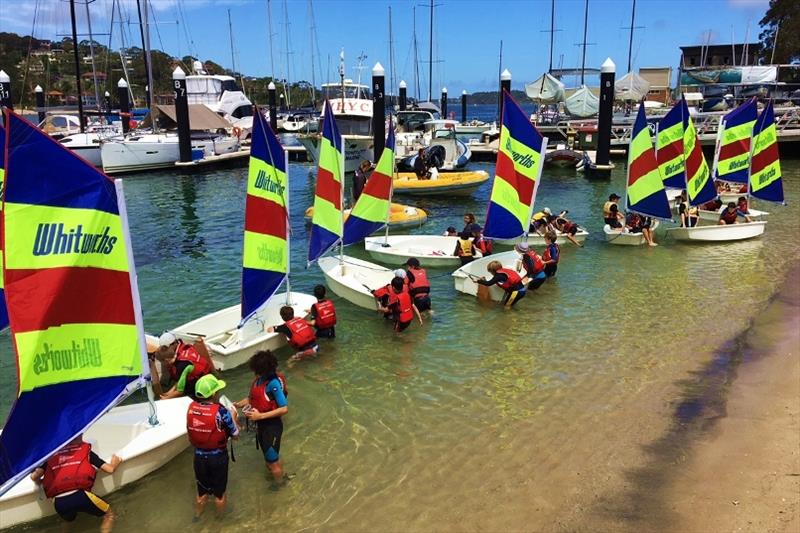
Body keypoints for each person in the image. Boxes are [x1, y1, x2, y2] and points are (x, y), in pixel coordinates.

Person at [30, 436, 122, 533]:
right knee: (109, 515)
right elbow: (110, 469)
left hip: (59, 502)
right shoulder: (85, 451)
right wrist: (115, 462)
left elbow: (34, 477)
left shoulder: (51, 456)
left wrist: (41, 481)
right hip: (81, 496)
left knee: (68, 521)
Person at [187, 374, 239, 521]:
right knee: (219, 494)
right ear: (214, 393)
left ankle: (197, 518)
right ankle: (220, 521)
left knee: (201, 493)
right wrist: (233, 417)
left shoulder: (191, 408)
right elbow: (235, 434)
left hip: (198, 457)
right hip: (217, 458)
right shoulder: (221, 411)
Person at [236, 351, 289, 490]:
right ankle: (278, 475)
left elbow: (284, 408)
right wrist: (238, 404)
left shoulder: (273, 384)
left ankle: (280, 485)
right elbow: (254, 398)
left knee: (273, 462)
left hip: (272, 426)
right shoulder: (258, 381)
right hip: (261, 425)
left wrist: (260, 416)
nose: (254, 373)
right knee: (269, 458)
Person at [158, 332, 214, 400]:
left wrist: (165, 398)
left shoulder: (181, 364)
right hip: (201, 374)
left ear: (173, 344)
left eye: (166, 348)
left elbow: (180, 391)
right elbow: (181, 379)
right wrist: (168, 393)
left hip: (201, 383)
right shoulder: (182, 346)